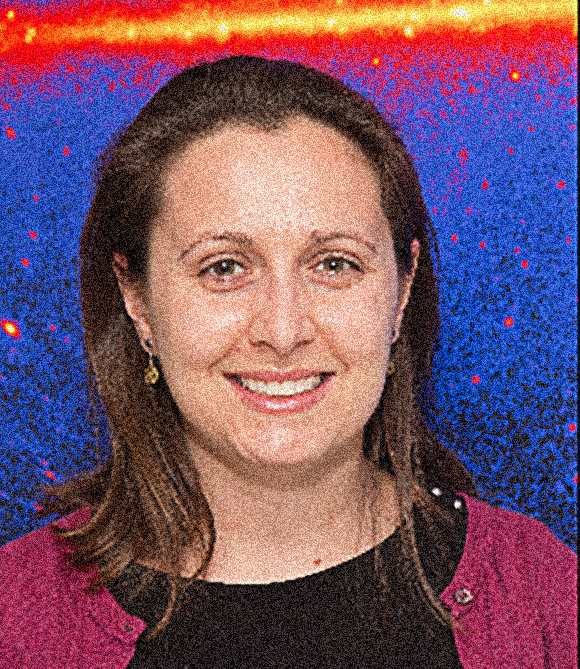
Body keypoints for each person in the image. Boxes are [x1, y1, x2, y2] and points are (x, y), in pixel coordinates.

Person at [0, 55, 576, 668]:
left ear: (402, 292)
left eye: (334, 264)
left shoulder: (541, 595)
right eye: (223, 268)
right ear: (137, 299)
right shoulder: (18, 616)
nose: (282, 331)